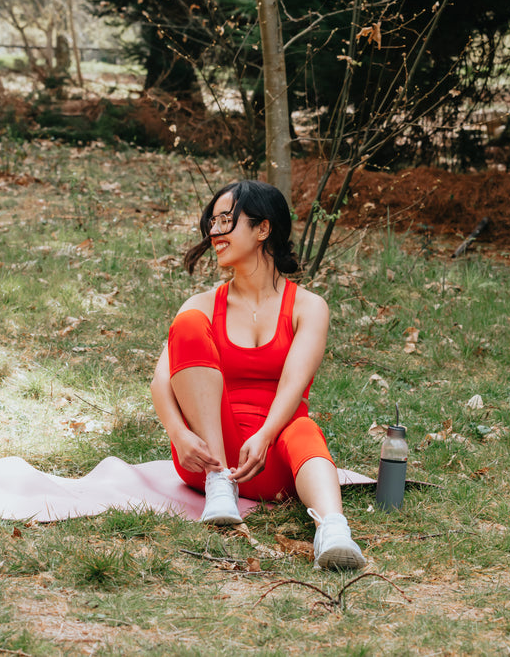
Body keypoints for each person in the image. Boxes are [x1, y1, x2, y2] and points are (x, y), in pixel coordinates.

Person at [150, 180, 366, 570]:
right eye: (211, 222)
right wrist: (179, 434)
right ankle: (221, 488)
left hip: (271, 460)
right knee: (187, 325)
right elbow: (160, 382)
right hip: (205, 462)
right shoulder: (199, 305)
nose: (214, 232)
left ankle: (333, 531)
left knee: (303, 429)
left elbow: (294, 385)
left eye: (225, 220)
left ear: (263, 228)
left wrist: (266, 435)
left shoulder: (308, 307)